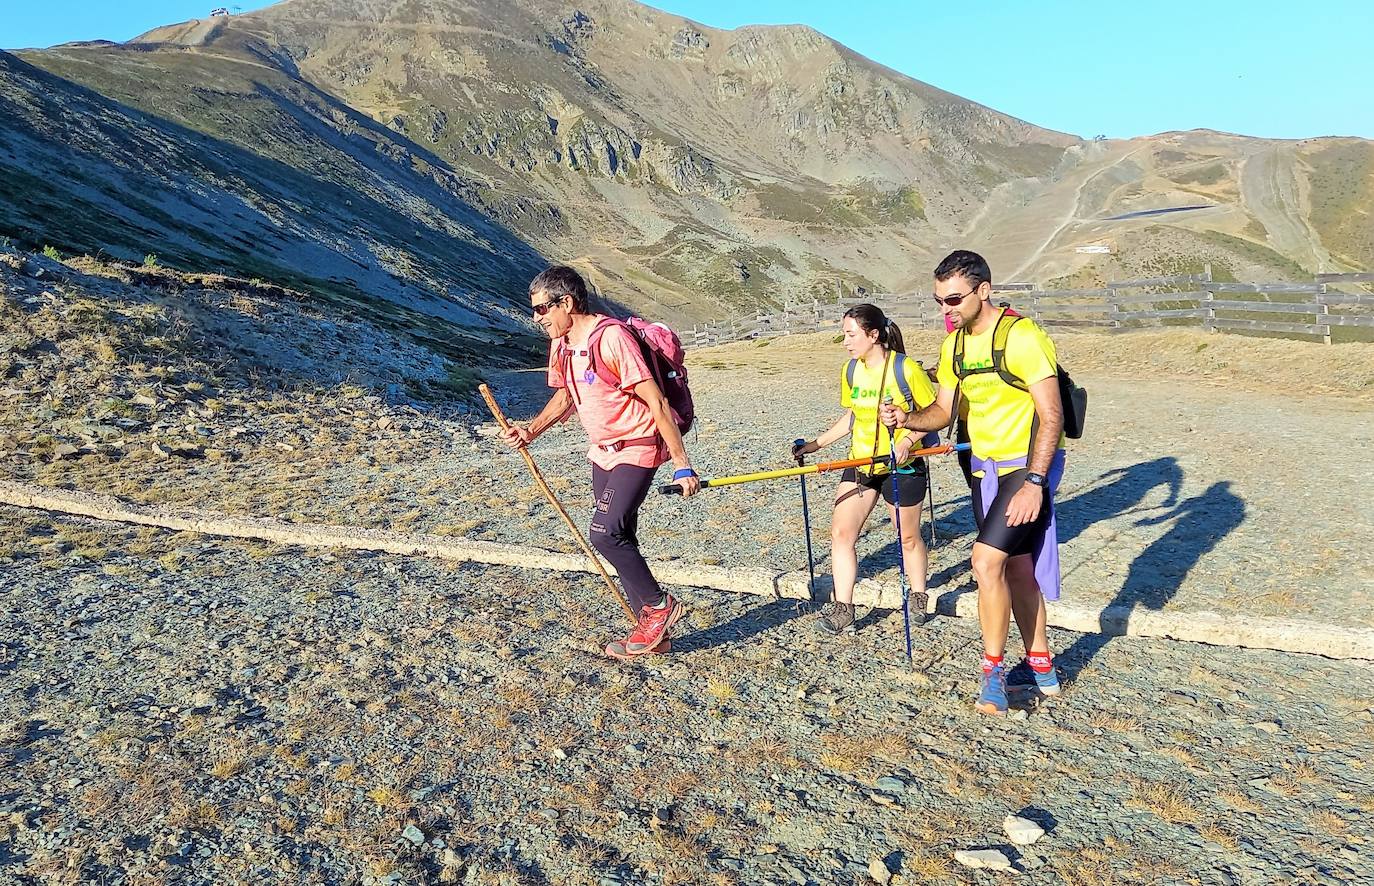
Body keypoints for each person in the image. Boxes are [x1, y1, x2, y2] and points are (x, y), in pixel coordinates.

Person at [881, 250, 1066, 715]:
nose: (946, 309)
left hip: (1026, 466)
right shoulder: (954, 347)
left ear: (984, 290)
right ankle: (1041, 668)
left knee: (984, 564)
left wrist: (1035, 482)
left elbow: (1052, 414)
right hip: (985, 470)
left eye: (954, 299)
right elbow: (943, 411)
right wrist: (908, 420)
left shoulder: (1022, 337)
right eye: (939, 301)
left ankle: (993, 674)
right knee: (1017, 568)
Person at [501, 266, 700, 660]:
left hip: (638, 445)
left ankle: (660, 608)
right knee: (620, 534)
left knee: (604, 533)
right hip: (603, 450)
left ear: (567, 303)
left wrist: (682, 464)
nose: (537, 319)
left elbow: (657, 401)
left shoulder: (610, 338)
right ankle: (652, 633)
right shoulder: (562, 344)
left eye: (542, 309)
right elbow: (565, 398)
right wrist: (530, 431)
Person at [792, 304, 938, 634]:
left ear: (873, 335)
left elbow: (934, 415)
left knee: (908, 538)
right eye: (844, 334)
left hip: (902, 465)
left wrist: (907, 442)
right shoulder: (850, 370)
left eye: (851, 334)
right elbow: (854, 416)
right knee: (841, 533)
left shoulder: (906, 369)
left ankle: (918, 594)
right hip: (861, 463)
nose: (845, 341)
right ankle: (844, 608)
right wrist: (816, 445)